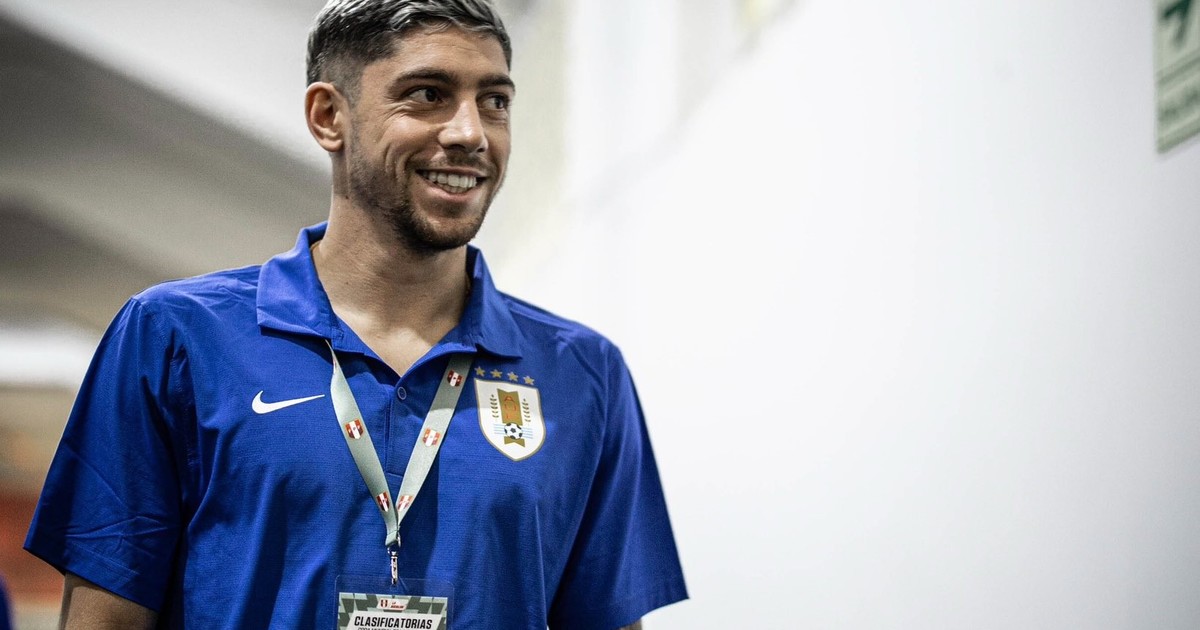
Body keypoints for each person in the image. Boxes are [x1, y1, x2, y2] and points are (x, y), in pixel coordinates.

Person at [23, 0, 688, 627]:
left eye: (495, 102)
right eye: (427, 94)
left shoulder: (584, 374)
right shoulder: (175, 338)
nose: (470, 133)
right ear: (328, 117)